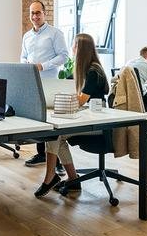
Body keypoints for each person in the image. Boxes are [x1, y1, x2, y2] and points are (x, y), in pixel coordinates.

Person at [35, 33, 109, 197]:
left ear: (82, 48)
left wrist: (63, 97)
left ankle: (51, 177)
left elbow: (81, 100)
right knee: (56, 136)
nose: (73, 48)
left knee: (55, 136)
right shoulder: (82, 69)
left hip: (98, 122)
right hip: (86, 116)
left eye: (75, 45)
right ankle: (72, 179)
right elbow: (67, 89)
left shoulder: (94, 71)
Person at [20, 0, 70, 171]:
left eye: (38, 13)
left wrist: (43, 65)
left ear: (44, 13)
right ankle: (42, 154)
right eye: (32, 13)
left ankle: (56, 162)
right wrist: (25, 64)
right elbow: (23, 57)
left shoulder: (55, 33)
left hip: (48, 82)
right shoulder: (26, 36)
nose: (35, 16)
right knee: (37, 120)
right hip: (32, 81)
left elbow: (64, 56)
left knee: (50, 122)